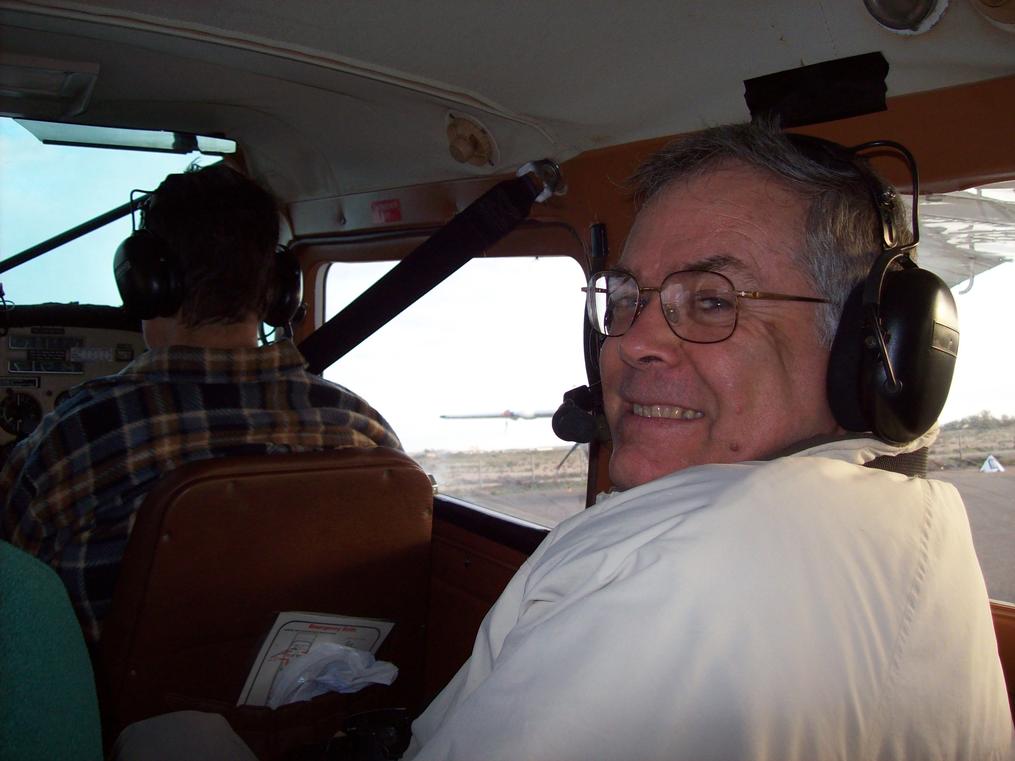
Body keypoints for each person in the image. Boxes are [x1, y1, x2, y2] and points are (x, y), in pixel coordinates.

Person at [405, 124, 1013, 759]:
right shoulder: (917, 522)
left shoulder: (671, 570)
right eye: (627, 296)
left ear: (871, 346)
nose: (633, 341)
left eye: (713, 301)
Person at [0, 163, 401, 647]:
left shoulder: (78, 435)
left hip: (117, 719)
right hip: (313, 709)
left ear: (146, 281)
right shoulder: (362, 428)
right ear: (277, 290)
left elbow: (14, 571)